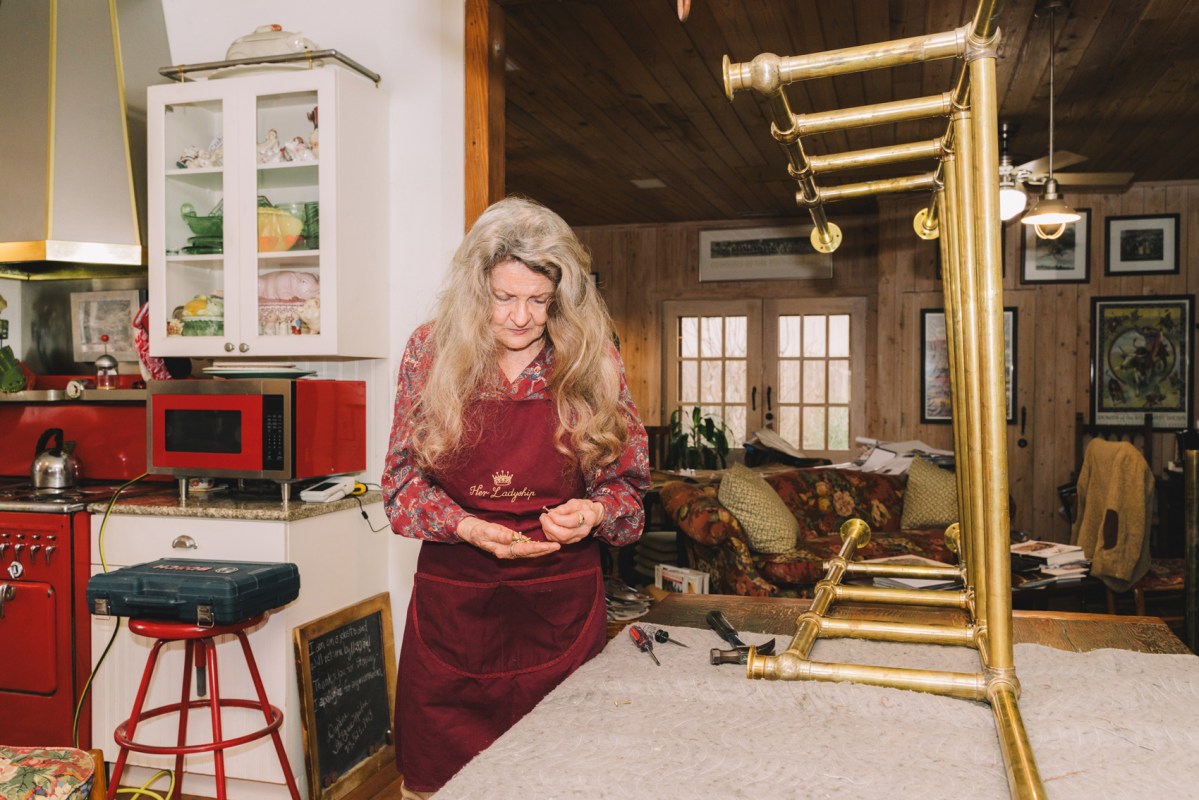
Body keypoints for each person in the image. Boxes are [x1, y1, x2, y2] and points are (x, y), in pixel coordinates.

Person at [381, 196, 650, 797]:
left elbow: (629, 495)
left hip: (559, 609)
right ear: (476, 288)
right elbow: (400, 488)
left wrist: (596, 511)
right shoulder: (430, 353)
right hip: (455, 609)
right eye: (504, 298)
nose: (522, 317)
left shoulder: (592, 358)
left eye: (539, 299)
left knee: (560, 779)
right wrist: (466, 526)